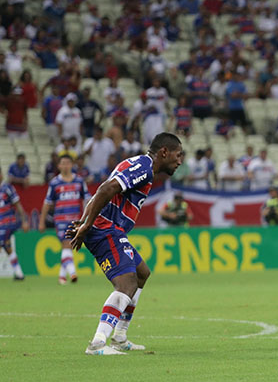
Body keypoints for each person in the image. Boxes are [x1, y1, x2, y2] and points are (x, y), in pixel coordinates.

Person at [66, 133, 183, 355]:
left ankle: (119, 336)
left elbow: (103, 191)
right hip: (104, 227)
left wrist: (84, 222)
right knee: (127, 284)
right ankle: (98, 343)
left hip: (108, 227)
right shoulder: (143, 167)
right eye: (178, 155)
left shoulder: (142, 166)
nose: (180, 161)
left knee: (141, 274)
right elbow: (106, 189)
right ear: (164, 152)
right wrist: (87, 225)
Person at [38, 154, 90, 284]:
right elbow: (47, 203)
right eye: (63, 163)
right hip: (60, 220)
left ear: (72, 165)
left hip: (75, 219)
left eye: (68, 163)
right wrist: (41, 221)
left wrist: (88, 217)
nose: (66, 165)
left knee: (67, 247)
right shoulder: (55, 183)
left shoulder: (79, 181)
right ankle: (73, 273)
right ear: (59, 166)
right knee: (67, 244)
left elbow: (88, 200)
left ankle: (62, 276)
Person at [0, 167, 29, 280]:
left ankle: (19, 273)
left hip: (7, 222)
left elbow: (18, 205)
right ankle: (19, 273)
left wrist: (24, 220)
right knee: (7, 246)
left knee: (3, 242)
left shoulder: (7, 188)